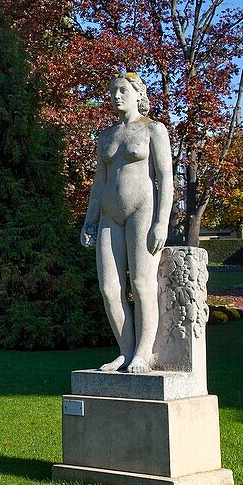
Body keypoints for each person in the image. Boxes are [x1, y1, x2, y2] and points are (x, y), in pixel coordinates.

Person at [80, 72, 173, 373]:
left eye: (122, 90)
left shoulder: (153, 130)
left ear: (137, 94)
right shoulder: (106, 136)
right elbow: (98, 182)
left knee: (142, 283)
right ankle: (125, 350)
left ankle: (143, 354)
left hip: (142, 211)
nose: (116, 96)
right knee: (109, 288)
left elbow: (166, 178)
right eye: (112, 91)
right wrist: (89, 221)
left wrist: (162, 222)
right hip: (109, 216)